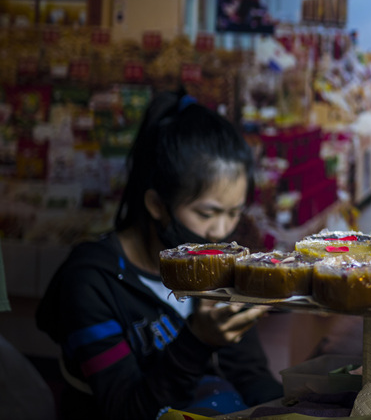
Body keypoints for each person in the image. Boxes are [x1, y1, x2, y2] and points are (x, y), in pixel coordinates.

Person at [36, 90, 283, 419]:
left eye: (234, 212)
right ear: (156, 205)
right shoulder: (90, 282)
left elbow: (250, 376)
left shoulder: (217, 265)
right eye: (207, 214)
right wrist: (197, 340)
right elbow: (126, 410)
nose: (221, 231)